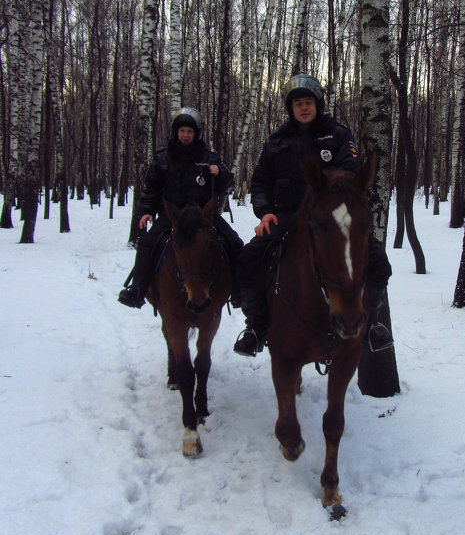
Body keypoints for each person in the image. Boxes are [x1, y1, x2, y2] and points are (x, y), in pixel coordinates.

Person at [233, 73, 393, 357]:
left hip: (330, 215)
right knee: (249, 259)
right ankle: (256, 325)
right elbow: (260, 182)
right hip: (287, 215)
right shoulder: (277, 140)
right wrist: (266, 212)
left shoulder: (339, 135)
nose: (304, 108)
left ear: (318, 104)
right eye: (298, 104)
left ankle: (370, 324)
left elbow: (351, 171)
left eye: (308, 102)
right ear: (290, 108)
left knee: (378, 261)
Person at [118, 107, 243, 309]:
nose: (185, 135)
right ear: (176, 132)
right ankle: (138, 289)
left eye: (190, 131)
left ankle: (239, 290)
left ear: (197, 133)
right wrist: (147, 210)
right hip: (173, 215)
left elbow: (226, 184)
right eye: (182, 131)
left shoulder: (209, 158)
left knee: (234, 241)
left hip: (204, 216)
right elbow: (151, 188)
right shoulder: (162, 159)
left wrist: (220, 172)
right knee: (148, 243)